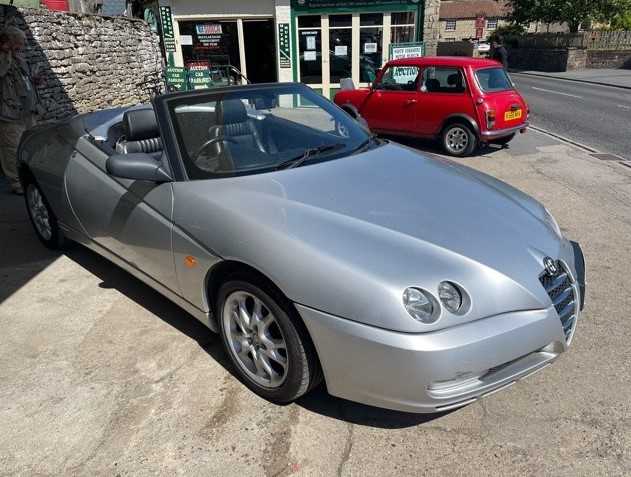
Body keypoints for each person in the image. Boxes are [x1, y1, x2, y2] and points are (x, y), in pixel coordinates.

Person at [0, 26, 39, 195]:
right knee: (11, 149)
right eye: (19, 42)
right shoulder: (3, 58)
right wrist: (6, 53)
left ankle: (31, 176)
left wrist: (35, 80)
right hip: (9, 113)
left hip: (27, 111)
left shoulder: (20, 58)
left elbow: (25, 79)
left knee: (31, 144)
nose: (22, 45)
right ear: (10, 42)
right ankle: (17, 183)